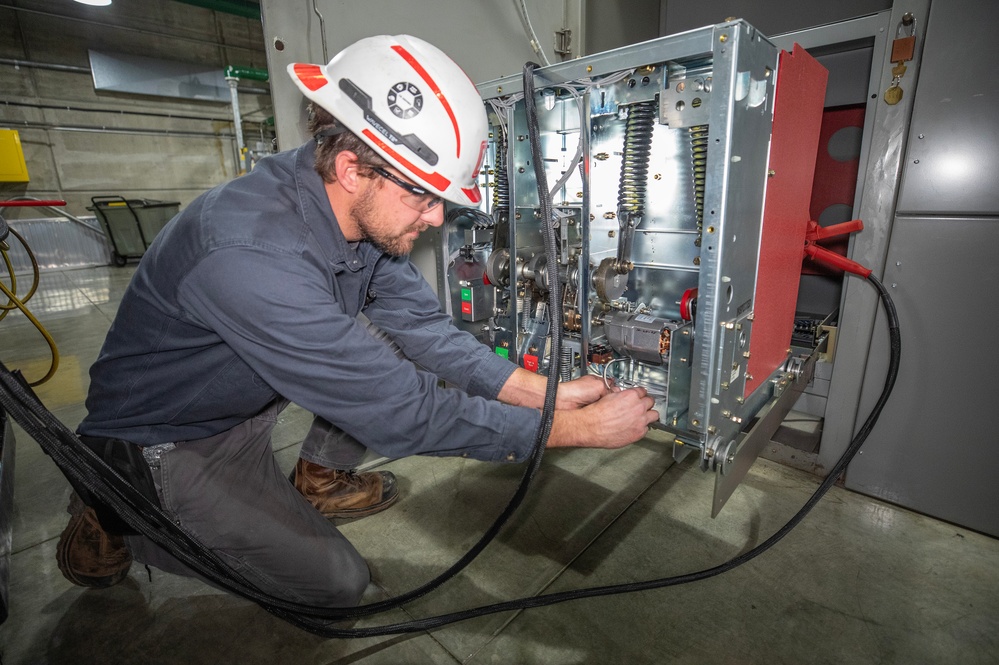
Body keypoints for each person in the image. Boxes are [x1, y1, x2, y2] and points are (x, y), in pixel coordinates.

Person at [58, 34, 658, 607]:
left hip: (243, 408)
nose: (435, 220)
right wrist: (574, 431)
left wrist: (544, 394)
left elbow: (421, 327)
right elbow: (405, 412)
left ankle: (309, 480)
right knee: (337, 587)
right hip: (167, 442)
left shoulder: (338, 203)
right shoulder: (251, 255)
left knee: (389, 340)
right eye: (424, 198)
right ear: (352, 168)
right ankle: (114, 512)